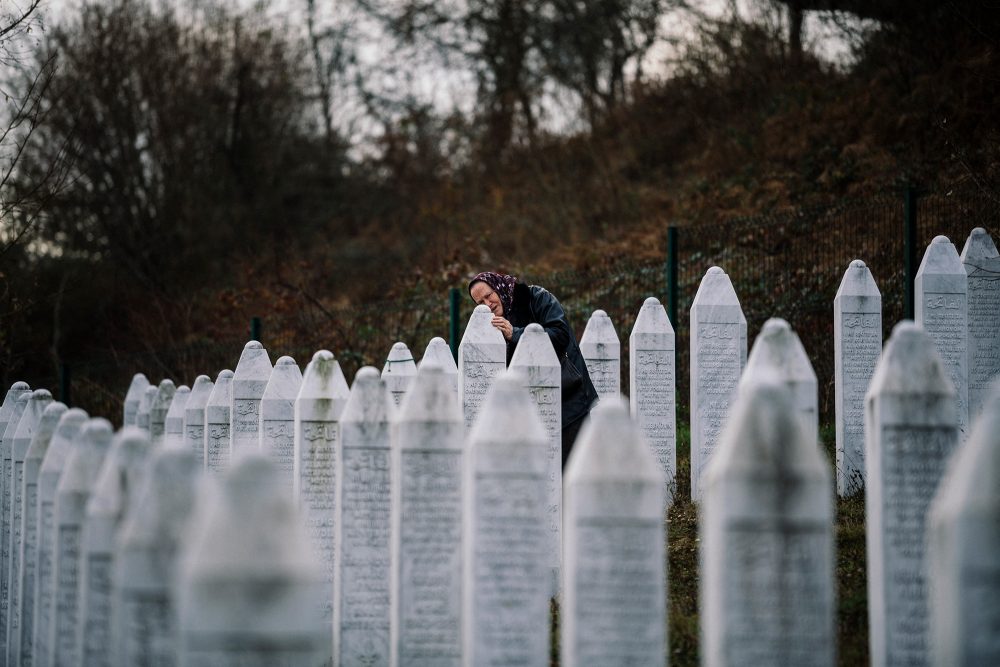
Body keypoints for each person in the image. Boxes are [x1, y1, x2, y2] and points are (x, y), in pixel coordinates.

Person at [468, 271, 597, 466]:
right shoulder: (490, 326)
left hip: (569, 399)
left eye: (489, 295)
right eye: (480, 302)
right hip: (529, 410)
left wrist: (515, 333)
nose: (488, 304)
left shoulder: (536, 298)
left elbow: (560, 335)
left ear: (499, 287)